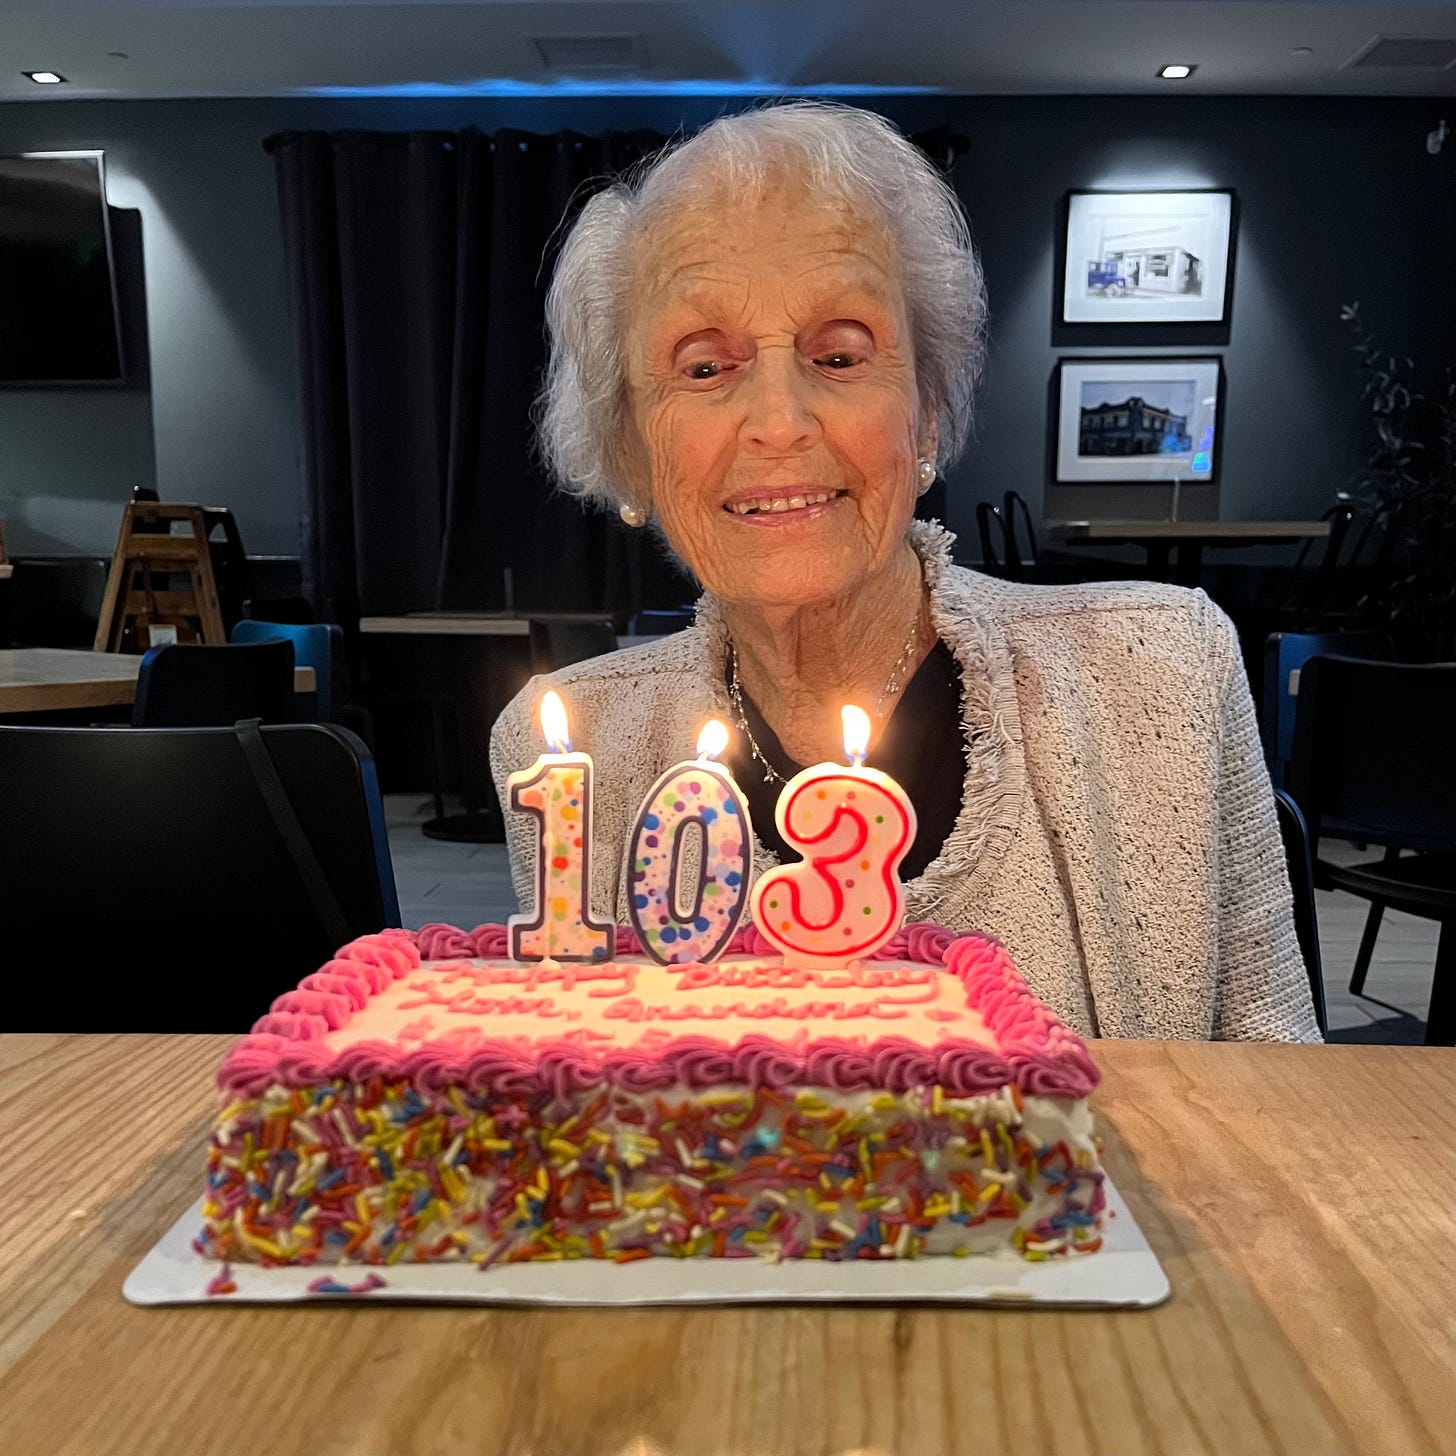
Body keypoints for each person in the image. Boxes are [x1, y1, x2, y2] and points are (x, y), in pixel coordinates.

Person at [490, 100, 1320, 1043]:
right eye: (706, 368)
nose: (779, 420)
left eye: (839, 354)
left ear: (926, 413)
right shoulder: (563, 751)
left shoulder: (1165, 670)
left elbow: (1277, 1105)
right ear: (631, 449)